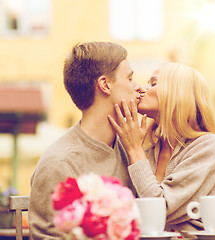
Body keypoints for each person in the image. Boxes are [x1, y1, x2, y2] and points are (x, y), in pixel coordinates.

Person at [108, 62, 215, 237]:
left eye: (153, 83)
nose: (141, 88)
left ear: (177, 93)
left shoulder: (213, 145)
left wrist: (135, 150)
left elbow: (161, 209)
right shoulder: (148, 148)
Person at [28, 42, 142, 239]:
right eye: (130, 78)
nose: (137, 86)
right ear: (105, 85)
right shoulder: (59, 163)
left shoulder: (131, 147)